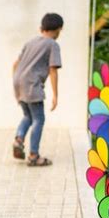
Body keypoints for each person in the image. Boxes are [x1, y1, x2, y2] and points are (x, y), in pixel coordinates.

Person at [12, 12, 63, 167]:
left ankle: (18, 140)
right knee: (39, 119)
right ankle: (34, 156)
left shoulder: (30, 42)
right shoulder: (53, 45)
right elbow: (53, 70)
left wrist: (16, 86)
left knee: (28, 116)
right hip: (32, 85)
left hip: (19, 82)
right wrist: (55, 95)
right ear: (58, 29)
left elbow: (15, 65)